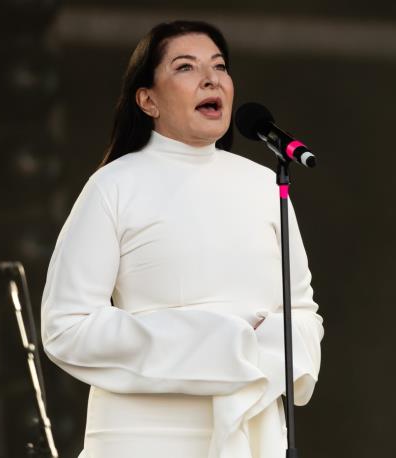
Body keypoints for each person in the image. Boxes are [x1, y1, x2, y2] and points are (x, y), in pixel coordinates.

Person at [40, 20, 324, 458]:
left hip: (253, 436)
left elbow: (302, 313)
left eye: (220, 66)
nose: (211, 79)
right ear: (147, 100)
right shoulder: (113, 186)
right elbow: (66, 325)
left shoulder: (265, 184)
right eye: (186, 67)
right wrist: (217, 339)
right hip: (142, 439)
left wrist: (260, 348)